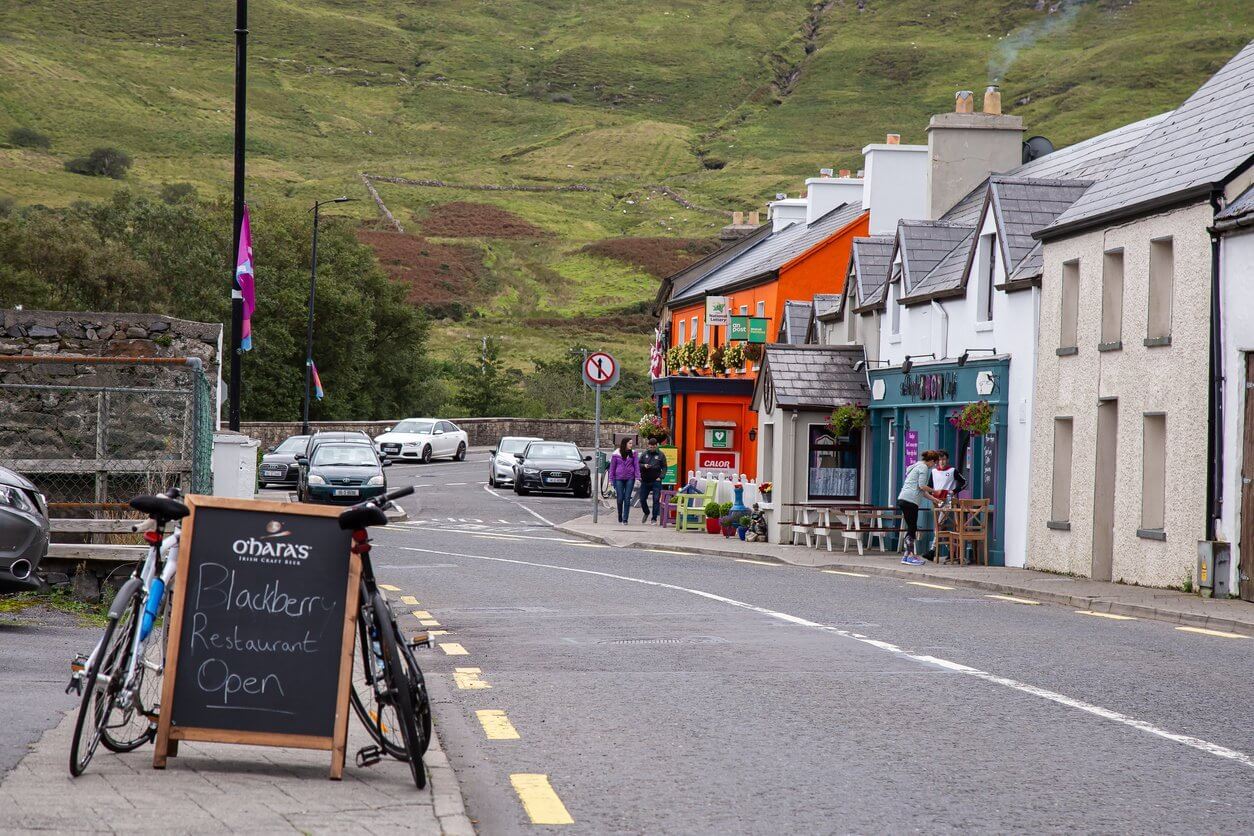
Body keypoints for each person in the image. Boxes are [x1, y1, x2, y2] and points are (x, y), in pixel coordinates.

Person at [898, 449, 941, 566]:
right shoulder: (924, 468)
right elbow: (922, 486)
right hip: (910, 500)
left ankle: (907, 556)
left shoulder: (917, 466)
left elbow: (921, 490)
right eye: (935, 463)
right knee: (912, 528)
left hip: (904, 499)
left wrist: (934, 499)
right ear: (931, 461)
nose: (934, 466)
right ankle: (910, 556)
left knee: (911, 527)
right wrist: (935, 491)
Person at [607, 437, 639, 525]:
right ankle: (620, 515)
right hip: (618, 478)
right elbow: (612, 468)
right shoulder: (616, 454)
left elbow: (636, 466)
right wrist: (610, 480)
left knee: (627, 498)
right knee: (620, 499)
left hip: (630, 478)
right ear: (625, 444)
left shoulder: (634, 453)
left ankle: (625, 519)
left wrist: (637, 478)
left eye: (632, 443)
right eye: (630, 443)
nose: (631, 445)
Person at [637, 439, 667, 524]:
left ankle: (654, 518)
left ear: (656, 445)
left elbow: (664, 467)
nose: (652, 448)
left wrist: (661, 477)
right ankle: (646, 512)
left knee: (656, 499)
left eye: (654, 447)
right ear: (648, 446)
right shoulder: (644, 454)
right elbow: (638, 464)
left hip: (656, 480)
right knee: (642, 499)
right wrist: (644, 466)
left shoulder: (661, 454)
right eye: (651, 447)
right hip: (645, 480)